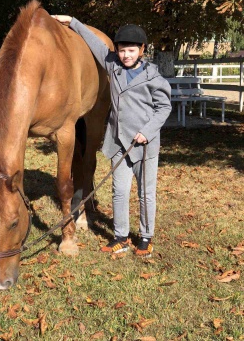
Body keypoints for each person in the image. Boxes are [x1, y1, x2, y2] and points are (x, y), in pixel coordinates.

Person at [52, 15, 172, 257]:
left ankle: (146, 237)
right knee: (119, 191)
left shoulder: (154, 77)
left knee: (145, 193)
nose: (126, 55)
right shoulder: (113, 66)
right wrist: (74, 22)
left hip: (144, 145)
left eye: (131, 50)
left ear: (142, 50)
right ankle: (121, 236)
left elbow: (164, 108)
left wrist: (146, 133)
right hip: (118, 143)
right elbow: (95, 43)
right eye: (122, 50)